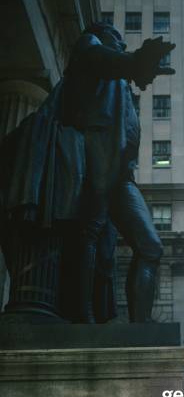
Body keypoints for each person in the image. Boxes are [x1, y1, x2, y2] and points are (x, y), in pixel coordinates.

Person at [62, 23, 176, 322]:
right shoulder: (90, 45)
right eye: (117, 39)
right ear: (101, 35)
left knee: (150, 246)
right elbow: (104, 59)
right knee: (89, 233)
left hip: (122, 174)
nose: (121, 45)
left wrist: (140, 67)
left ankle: (141, 326)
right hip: (92, 156)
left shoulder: (120, 80)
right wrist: (136, 62)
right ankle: (82, 317)